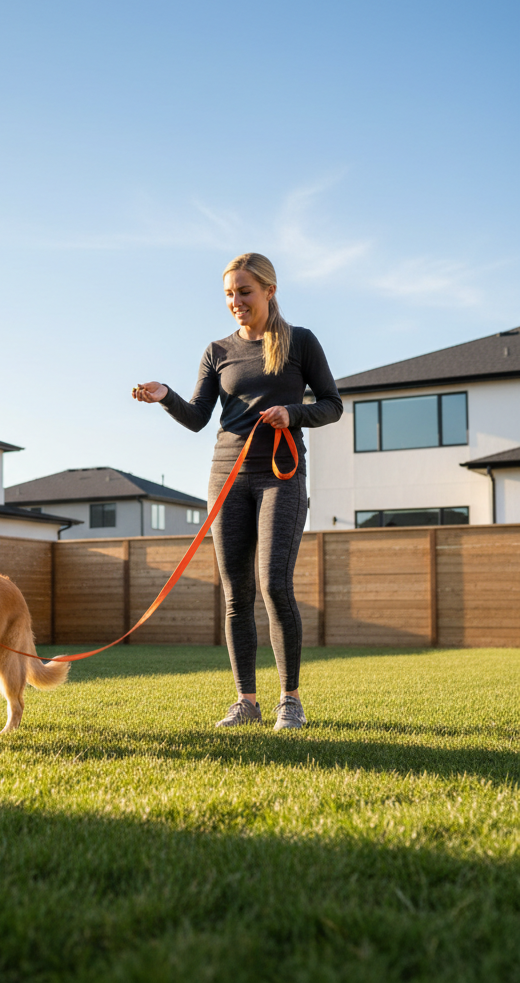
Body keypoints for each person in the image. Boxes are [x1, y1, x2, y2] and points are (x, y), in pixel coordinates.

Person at [132, 253, 342, 729]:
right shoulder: (217, 350)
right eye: (229, 294)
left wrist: (294, 413)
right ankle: (246, 701)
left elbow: (332, 405)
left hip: (281, 475)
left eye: (244, 292)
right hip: (227, 477)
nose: (236, 302)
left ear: (269, 290)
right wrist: (165, 396)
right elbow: (198, 418)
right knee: (235, 593)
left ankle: (290, 699)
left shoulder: (300, 343)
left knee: (273, 584)